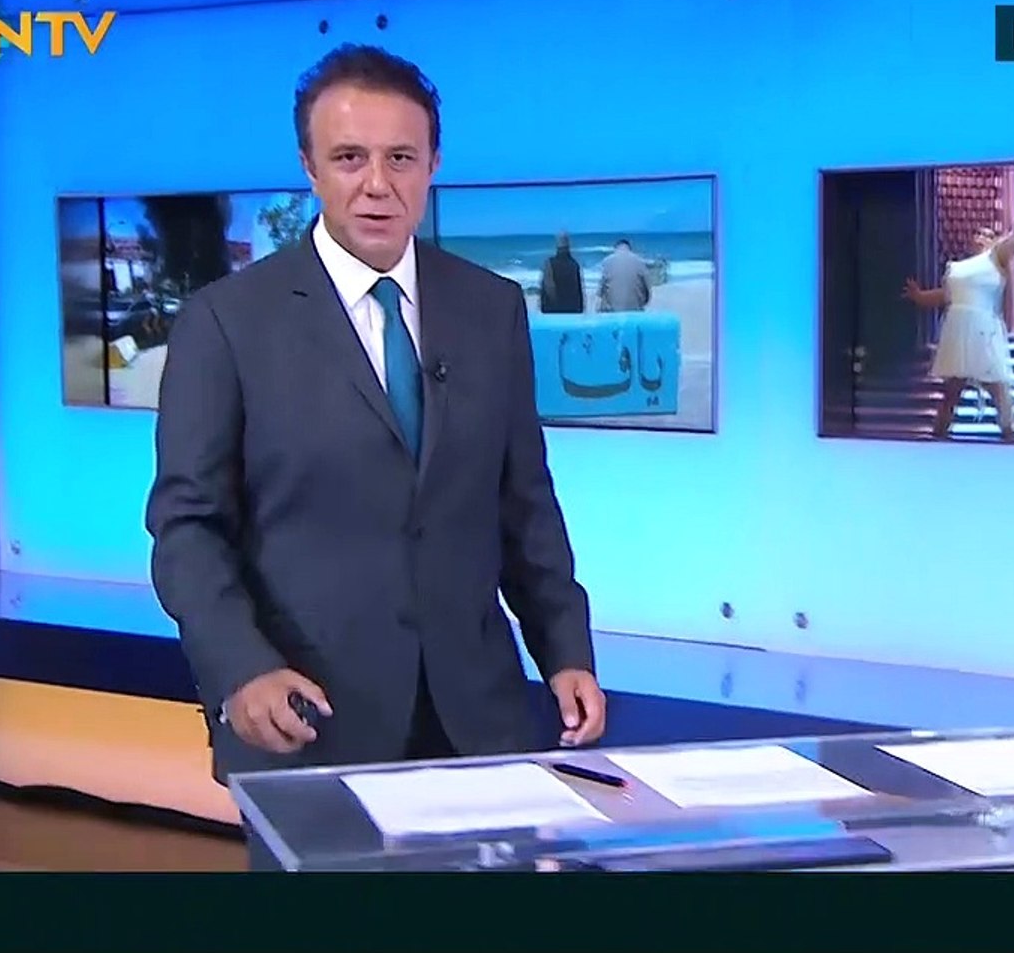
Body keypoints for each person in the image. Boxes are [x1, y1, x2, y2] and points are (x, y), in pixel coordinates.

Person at [143, 43, 606, 868]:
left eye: (401, 158)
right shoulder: (226, 322)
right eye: (349, 158)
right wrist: (241, 669)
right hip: (310, 718)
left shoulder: (491, 308)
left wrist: (565, 648)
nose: (377, 184)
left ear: (433, 165)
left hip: (477, 722)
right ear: (310, 168)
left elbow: (524, 501)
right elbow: (187, 528)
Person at [901, 175, 1014, 441]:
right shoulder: (957, 268)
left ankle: (1010, 435)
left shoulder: (996, 257)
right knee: (952, 389)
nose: (982, 237)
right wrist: (919, 296)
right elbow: (945, 296)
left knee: (996, 387)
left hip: (982, 329)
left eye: (988, 234)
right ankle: (939, 434)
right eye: (978, 233)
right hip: (958, 330)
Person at [597, 238, 650, 311]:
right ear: (629, 249)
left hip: (612, 311)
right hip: (635, 309)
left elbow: (600, 292)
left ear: (616, 248)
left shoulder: (607, 261)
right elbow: (647, 292)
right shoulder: (640, 261)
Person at [539, 231, 584, 314]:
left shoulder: (549, 263)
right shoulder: (574, 264)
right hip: (572, 310)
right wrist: (580, 309)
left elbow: (548, 288)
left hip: (552, 309)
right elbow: (579, 292)